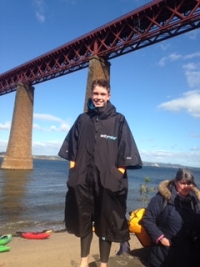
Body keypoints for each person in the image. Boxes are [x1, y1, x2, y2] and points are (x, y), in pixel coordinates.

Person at [58, 78, 142, 267]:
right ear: (91, 95)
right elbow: (72, 148)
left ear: (109, 96)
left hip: (107, 182)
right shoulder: (83, 119)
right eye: (95, 94)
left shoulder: (118, 120)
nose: (98, 97)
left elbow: (125, 151)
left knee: (106, 224)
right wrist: (74, 173)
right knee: (84, 221)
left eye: (102, 94)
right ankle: (84, 262)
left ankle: (103, 264)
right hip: (83, 181)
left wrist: (116, 176)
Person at [142, 168, 200, 267]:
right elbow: (148, 219)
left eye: (189, 183)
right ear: (175, 181)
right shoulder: (161, 199)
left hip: (190, 254)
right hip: (164, 254)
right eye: (183, 183)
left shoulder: (194, 199)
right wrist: (161, 238)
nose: (186, 186)